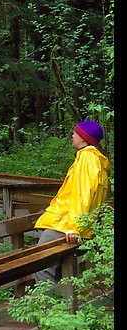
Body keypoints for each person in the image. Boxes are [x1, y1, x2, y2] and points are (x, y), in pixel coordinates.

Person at [34, 119, 110, 283]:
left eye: (76, 133)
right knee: (58, 266)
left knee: (40, 262)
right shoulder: (93, 159)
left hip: (68, 225)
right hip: (74, 224)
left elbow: (84, 195)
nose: (73, 135)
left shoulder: (87, 159)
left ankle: (48, 306)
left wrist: (74, 227)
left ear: (84, 138)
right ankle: (59, 303)